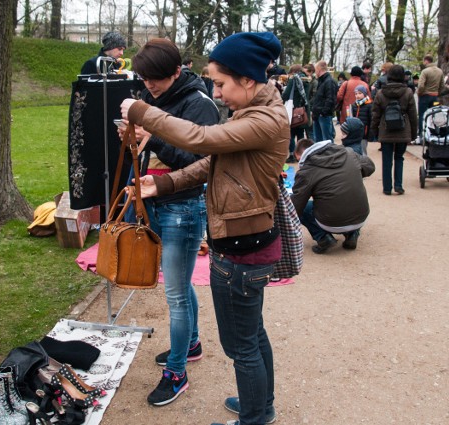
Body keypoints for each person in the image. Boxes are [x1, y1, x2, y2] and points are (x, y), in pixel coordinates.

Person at [121, 31, 289, 425]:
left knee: (241, 345)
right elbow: (212, 163)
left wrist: (142, 112)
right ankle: (260, 407)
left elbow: (200, 139)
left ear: (247, 79)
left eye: (220, 83)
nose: (217, 93)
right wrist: (162, 183)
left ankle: (254, 418)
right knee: (253, 336)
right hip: (245, 241)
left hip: (242, 248)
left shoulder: (263, 118)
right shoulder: (252, 112)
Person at [118, 38, 220, 407]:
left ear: (178, 72)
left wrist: (155, 138)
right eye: (145, 80)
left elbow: (201, 163)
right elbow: (155, 151)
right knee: (179, 284)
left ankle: (177, 373)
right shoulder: (155, 100)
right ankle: (190, 344)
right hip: (156, 202)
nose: (149, 86)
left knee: (175, 293)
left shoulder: (200, 105)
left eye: (156, 79)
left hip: (184, 208)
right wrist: (134, 140)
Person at [291, 138, 375, 254]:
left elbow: (296, 206)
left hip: (331, 221)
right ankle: (352, 233)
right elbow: (370, 167)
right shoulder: (349, 153)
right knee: (351, 196)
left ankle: (323, 237)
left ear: (299, 155)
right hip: (360, 217)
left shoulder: (307, 170)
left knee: (300, 207)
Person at [370, 64, 418, 195]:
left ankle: (387, 187)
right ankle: (398, 185)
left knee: (386, 159)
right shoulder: (408, 92)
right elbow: (413, 115)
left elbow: (375, 115)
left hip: (386, 130)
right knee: (399, 158)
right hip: (403, 129)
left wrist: (374, 131)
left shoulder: (380, 93)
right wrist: (414, 133)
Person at [282, 64, 312, 162]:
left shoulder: (294, 79)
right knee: (300, 134)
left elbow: (286, 95)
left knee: (291, 134)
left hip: (293, 111)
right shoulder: (306, 79)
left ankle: (292, 155)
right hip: (303, 111)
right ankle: (302, 154)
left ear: (293, 72)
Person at [417, 55, 445, 142]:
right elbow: (442, 85)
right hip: (435, 96)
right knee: (433, 116)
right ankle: (433, 134)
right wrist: (437, 93)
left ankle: (422, 135)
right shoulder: (440, 71)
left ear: (426, 61)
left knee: (422, 115)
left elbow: (421, 85)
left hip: (425, 96)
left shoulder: (425, 71)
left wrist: (419, 93)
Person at [311, 60, 337, 142]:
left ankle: (330, 154)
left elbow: (330, 99)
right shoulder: (322, 81)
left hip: (323, 115)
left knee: (327, 139)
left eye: (315, 70)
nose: (315, 72)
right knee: (318, 139)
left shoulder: (329, 81)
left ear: (319, 69)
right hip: (318, 114)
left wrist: (323, 112)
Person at [350, 85, 373, 152]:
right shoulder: (354, 105)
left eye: (360, 93)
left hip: (364, 133)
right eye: (356, 94)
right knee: (354, 150)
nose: (357, 95)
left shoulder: (369, 105)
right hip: (355, 132)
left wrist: (370, 133)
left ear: (364, 94)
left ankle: (364, 162)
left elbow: (371, 119)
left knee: (363, 150)